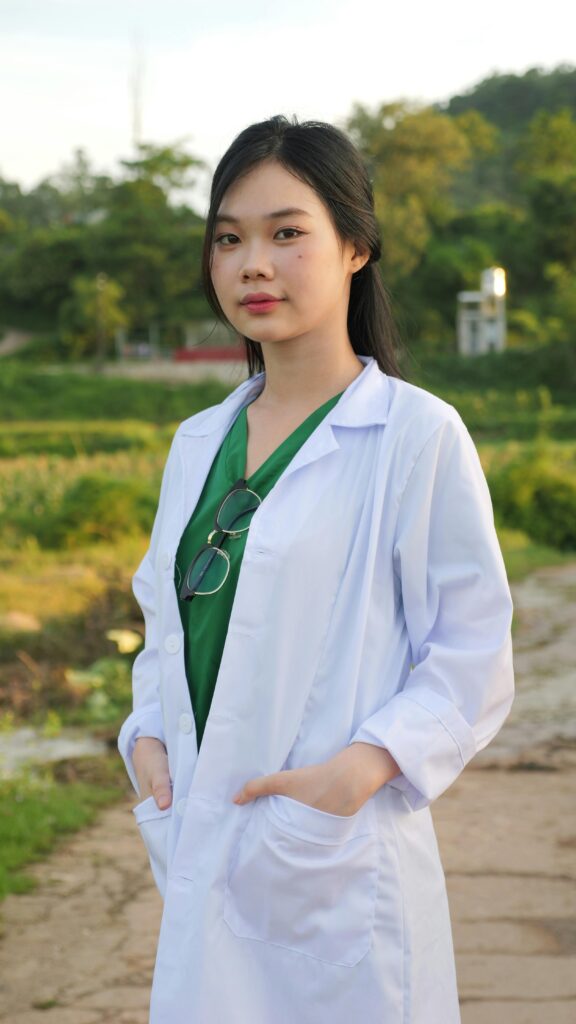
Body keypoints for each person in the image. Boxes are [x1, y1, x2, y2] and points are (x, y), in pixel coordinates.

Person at [118, 115, 514, 1024]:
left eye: (286, 233)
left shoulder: (414, 436)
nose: (253, 263)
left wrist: (368, 765)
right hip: (204, 838)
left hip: (333, 861)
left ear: (355, 249)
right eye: (229, 238)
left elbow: (471, 651)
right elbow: (164, 623)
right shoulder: (197, 442)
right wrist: (145, 734)